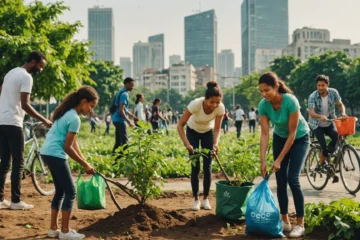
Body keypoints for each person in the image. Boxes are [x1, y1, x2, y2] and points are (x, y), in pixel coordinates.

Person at [40, 86, 97, 239]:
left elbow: (73, 143)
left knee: (60, 190)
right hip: (56, 154)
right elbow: (67, 147)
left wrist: (85, 161)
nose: (91, 110)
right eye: (91, 106)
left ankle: (53, 228)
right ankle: (65, 231)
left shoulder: (66, 112)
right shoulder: (74, 118)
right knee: (71, 191)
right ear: (83, 101)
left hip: (47, 152)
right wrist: (85, 165)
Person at [258, 72, 310, 238]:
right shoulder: (263, 105)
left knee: (293, 179)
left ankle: (300, 223)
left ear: (276, 87)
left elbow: (293, 133)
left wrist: (279, 159)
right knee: (280, 180)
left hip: (299, 138)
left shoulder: (290, 101)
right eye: (261, 91)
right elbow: (265, 134)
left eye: (267, 90)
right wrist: (263, 161)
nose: (264, 94)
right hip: (280, 137)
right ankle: (285, 221)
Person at [0, 50, 53, 210]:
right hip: (13, 123)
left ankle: (1, 199)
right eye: (40, 65)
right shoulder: (26, 77)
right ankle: (16, 201)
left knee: (5, 162)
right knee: (19, 162)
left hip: (1, 121)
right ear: (33, 62)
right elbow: (25, 104)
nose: (41, 69)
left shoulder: (11, 73)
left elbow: (2, 91)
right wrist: (44, 119)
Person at [177, 81, 225, 211]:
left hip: (207, 133)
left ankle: (205, 199)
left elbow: (217, 128)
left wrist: (215, 144)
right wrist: (187, 144)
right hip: (192, 131)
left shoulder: (220, 108)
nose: (214, 105)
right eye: (211, 102)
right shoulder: (195, 104)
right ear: (205, 99)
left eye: (217, 102)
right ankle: (196, 199)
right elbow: (180, 125)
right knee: (195, 166)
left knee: (207, 166)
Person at [308, 75, 346, 179]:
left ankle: (327, 159)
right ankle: (320, 165)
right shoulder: (312, 96)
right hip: (317, 125)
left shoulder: (333, 92)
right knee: (323, 146)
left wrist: (343, 113)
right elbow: (311, 112)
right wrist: (320, 116)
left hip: (329, 122)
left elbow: (340, 104)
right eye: (318, 85)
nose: (320, 87)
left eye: (323, 85)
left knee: (336, 137)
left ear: (327, 85)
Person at [111, 77, 137, 155]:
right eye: (131, 85)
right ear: (126, 84)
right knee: (125, 142)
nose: (133, 87)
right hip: (120, 120)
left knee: (118, 142)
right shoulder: (124, 94)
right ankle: (127, 161)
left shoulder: (120, 91)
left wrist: (132, 116)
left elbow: (123, 108)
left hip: (115, 118)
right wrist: (129, 121)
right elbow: (121, 110)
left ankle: (114, 161)